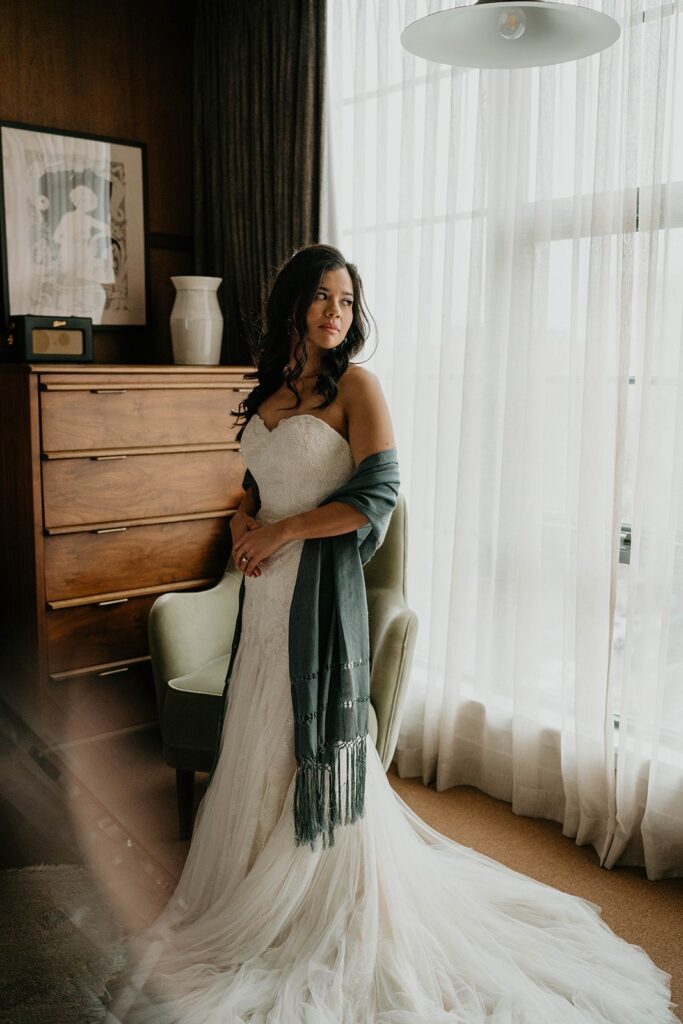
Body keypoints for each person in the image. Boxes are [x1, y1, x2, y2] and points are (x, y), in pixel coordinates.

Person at [113, 244, 676, 1023]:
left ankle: (316, 893)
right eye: (319, 297)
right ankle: (245, 879)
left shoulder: (359, 388)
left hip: (313, 592)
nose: (333, 312)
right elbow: (256, 484)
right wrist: (248, 521)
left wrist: (283, 537)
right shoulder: (270, 389)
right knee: (257, 731)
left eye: (344, 300)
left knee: (300, 739)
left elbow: (377, 492)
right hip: (265, 605)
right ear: (292, 306)